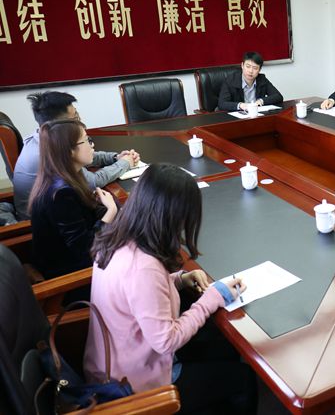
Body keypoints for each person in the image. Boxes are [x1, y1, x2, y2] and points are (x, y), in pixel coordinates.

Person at [84, 163, 257, 414]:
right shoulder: (143, 267)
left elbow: (136, 296)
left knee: (224, 347)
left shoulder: (117, 237)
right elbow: (166, 341)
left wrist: (179, 280)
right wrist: (212, 297)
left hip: (115, 362)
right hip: (135, 385)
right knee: (244, 379)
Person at [14, 91, 139, 220]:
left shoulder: (44, 137)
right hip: (36, 222)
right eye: (75, 118)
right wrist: (125, 163)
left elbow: (82, 156)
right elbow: (93, 181)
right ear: (61, 125)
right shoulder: (45, 153)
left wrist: (115, 158)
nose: (79, 121)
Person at [28, 119, 118, 280]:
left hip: (74, 258)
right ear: (70, 151)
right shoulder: (61, 194)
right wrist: (111, 211)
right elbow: (85, 247)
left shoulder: (62, 175)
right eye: (87, 140)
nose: (92, 145)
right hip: (71, 274)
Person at [217, 51, 283, 112]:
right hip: (238, 116)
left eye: (255, 68)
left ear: (259, 70)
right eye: (248, 66)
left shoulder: (262, 79)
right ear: (242, 66)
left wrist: (261, 101)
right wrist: (240, 105)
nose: (251, 71)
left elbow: (278, 96)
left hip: (256, 115)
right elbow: (222, 104)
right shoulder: (230, 80)